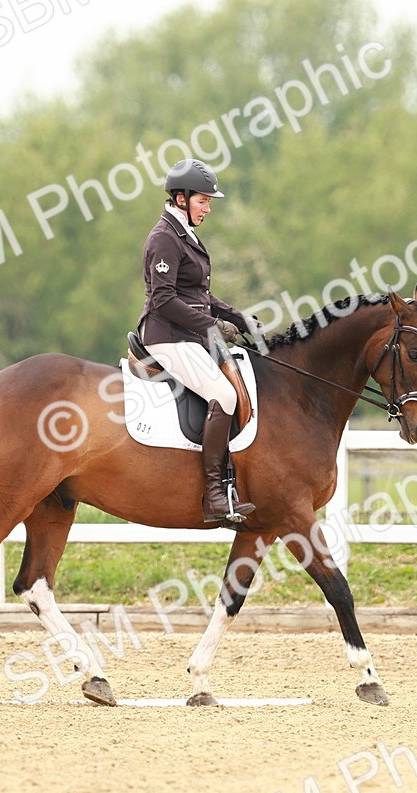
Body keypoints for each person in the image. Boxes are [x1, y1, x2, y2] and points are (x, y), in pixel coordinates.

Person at [137, 159, 261, 524]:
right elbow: (164, 299)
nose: (207, 208)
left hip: (189, 336)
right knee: (223, 395)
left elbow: (199, 293)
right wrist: (212, 325)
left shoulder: (185, 235)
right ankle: (215, 495)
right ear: (180, 197)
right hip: (167, 338)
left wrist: (238, 317)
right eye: (203, 201)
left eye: (208, 202)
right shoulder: (164, 237)